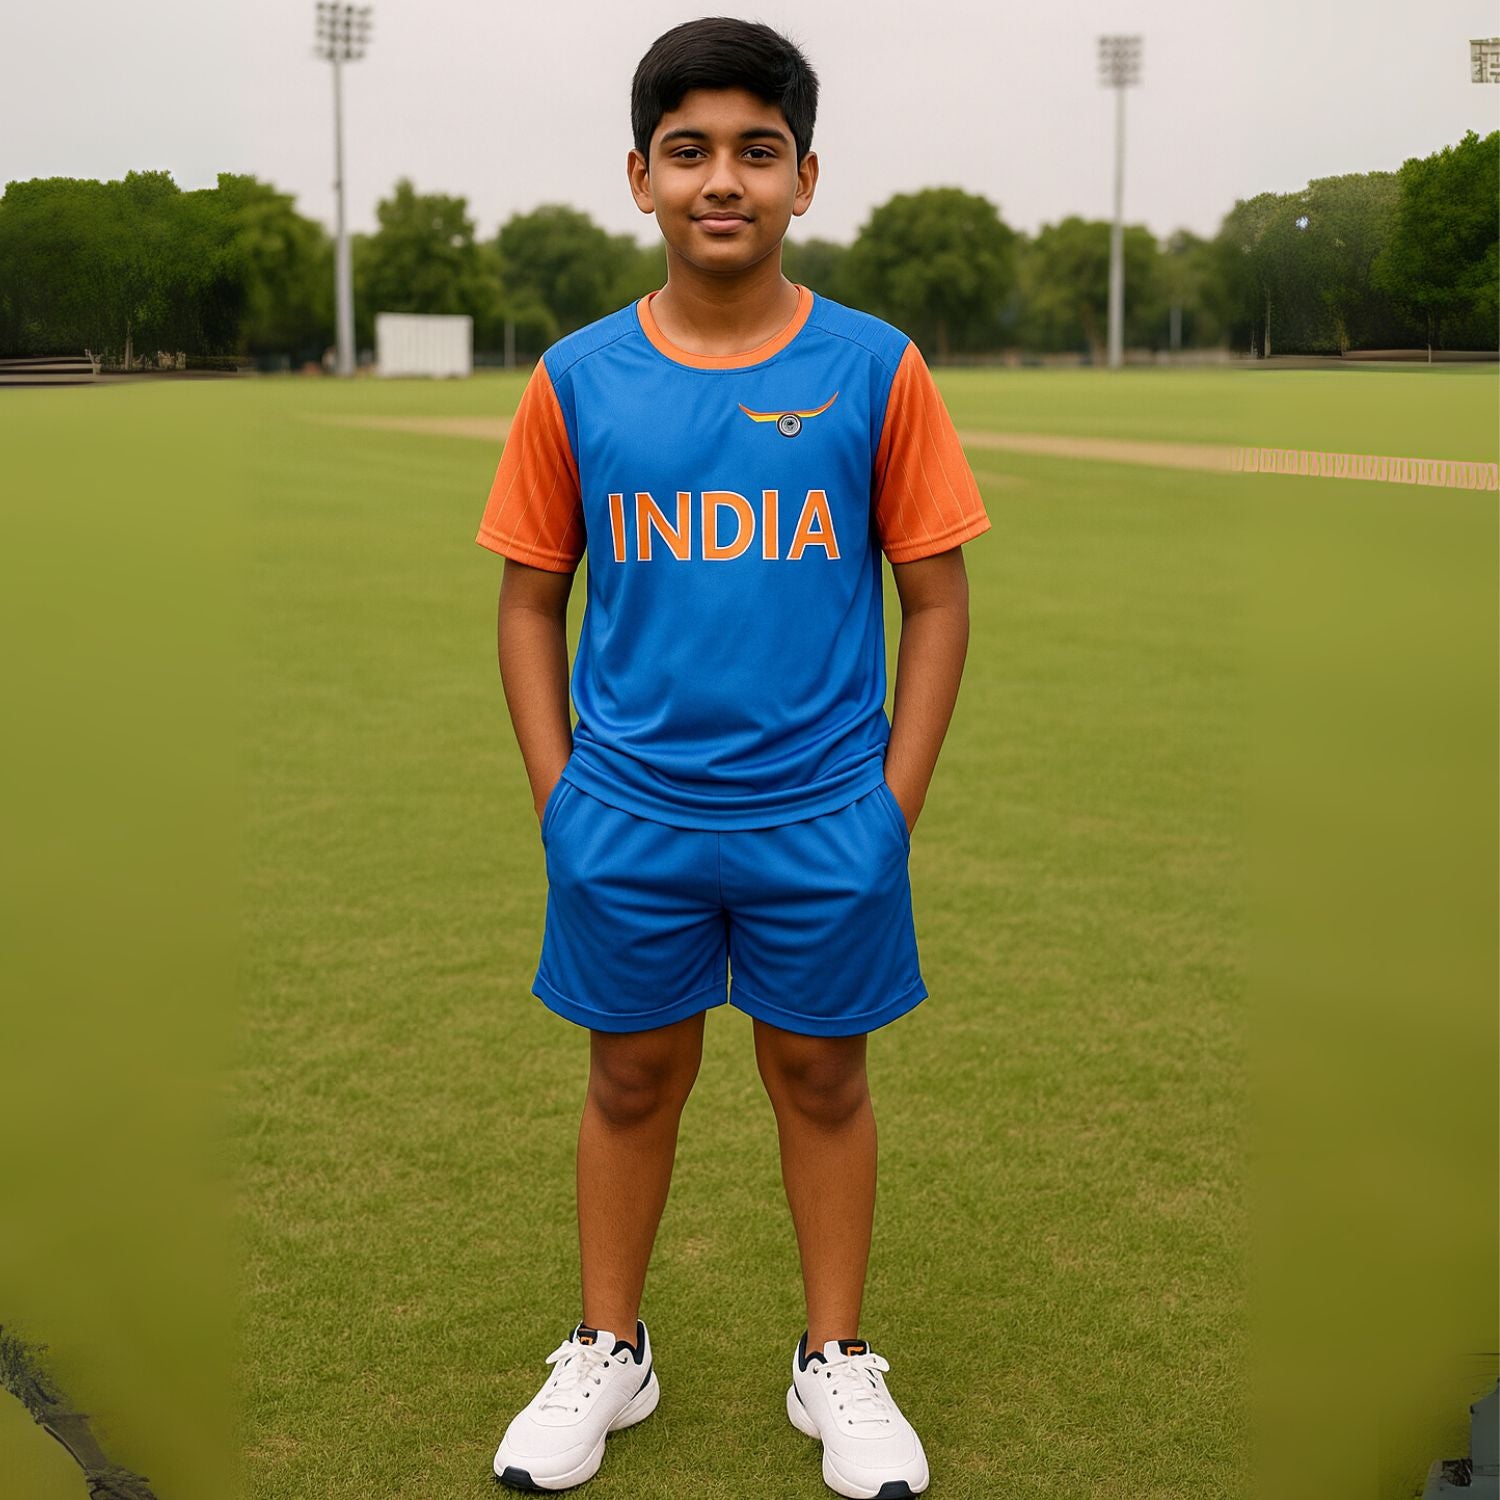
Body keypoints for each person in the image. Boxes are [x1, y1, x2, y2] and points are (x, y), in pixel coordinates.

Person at [474, 17, 989, 1497]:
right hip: (627, 812)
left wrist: (890, 808)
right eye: (689, 150)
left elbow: (938, 599)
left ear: (805, 177)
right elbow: (528, 597)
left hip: (825, 813)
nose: (723, 179)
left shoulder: (876, 369)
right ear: (639, 177)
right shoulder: (576, 377)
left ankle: (834, 1363)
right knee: (630, 1078)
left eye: (756, 150)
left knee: (823, 1077)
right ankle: (608, 1350)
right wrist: (559, 792)